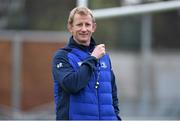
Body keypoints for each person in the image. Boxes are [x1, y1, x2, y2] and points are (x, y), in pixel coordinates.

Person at [52, 6, 121, 120]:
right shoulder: (62, 56)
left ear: (93, 27)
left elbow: (112, 94)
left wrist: (116, 117)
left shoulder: (104, 57)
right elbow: (72, 85)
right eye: (79, 24)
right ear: (70, 27)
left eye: (87, 24)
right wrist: (93, 58)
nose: (84, 29)